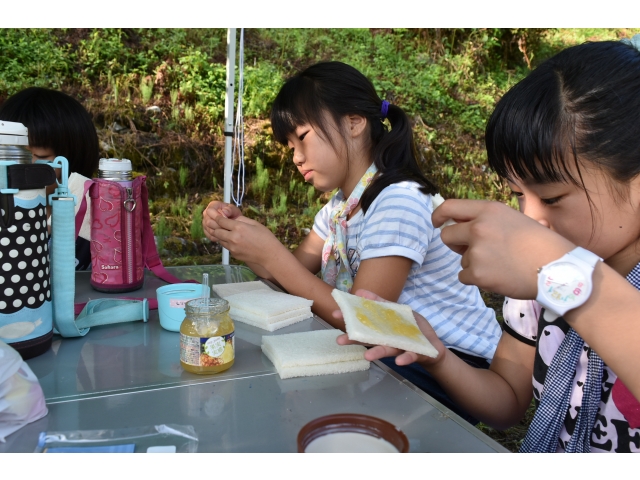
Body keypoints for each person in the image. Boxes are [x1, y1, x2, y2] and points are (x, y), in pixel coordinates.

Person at [337, 39, 640, 453]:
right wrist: (438, 356)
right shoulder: (535, 292)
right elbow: (506, 405)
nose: (530, 219)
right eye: (518, 194)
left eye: (551, 198)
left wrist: (561, 274)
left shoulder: (551, 274)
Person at [203, 61, 501, 421]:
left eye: (303, 136)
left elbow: (368, 321)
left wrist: (272, 254)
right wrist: (246, 245)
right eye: (288, 144)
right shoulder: (339, 209)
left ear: (354, 122)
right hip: (393, 352)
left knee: (302, 409)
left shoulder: (398, 200)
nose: (296, 156)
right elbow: (293, 279)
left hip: (448, 364)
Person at [0, 87, 100, 270]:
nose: (22, 168)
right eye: (9, 156)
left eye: (41, 155)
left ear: (74, 159)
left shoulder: (95, 218)